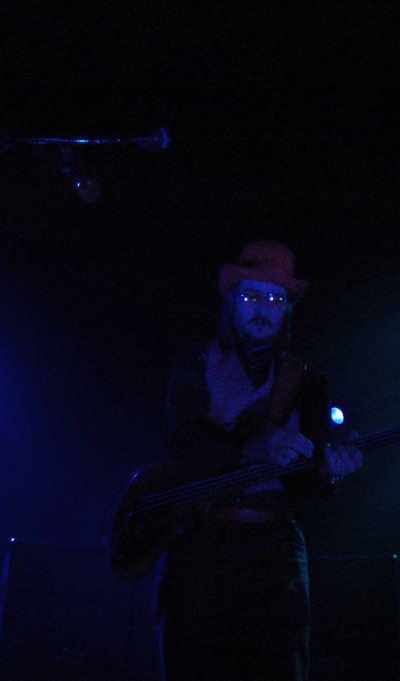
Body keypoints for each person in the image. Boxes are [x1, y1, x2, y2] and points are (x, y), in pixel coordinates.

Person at [154, 240, 364, 681]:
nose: (264, 308)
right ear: (232, 299)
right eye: (252, 296)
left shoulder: (307, 379)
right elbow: (183, 441)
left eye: (276, 299)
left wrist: (329, 474)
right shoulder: (196, 360)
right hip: (198, 545)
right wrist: (252, 449)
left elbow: (306, 477)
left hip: (275, 553)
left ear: (287, 310)